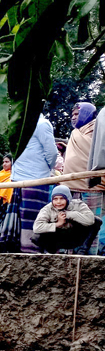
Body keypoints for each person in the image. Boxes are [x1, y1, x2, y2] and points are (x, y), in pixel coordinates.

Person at [0, 114, 60, 253]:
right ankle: (20, 252)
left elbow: (52, 153)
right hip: (19, 181)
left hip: (36, 179)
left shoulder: (42, 124)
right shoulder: (19, 125)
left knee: (35, 219)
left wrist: (45, 169)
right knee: (20, 219)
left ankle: (32, 253)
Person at [60, 102, 105, 254]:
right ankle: (70, 259)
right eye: (72, 115)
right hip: (70, 187)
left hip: (92, 187)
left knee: (91, 222)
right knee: (70, 223)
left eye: (76, 114)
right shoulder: (76, 133)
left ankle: (89, 259)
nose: (73, 118)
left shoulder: (99, 129)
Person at [32, 185, 103, 254]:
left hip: (74, 236)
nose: (58, 202)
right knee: (37, 236)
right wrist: (58, 224)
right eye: (55, 199)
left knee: (96, 221)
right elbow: (37, 227)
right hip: (58, 237)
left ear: (68, 198)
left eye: (62, 198)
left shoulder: (78, 204)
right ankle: (51, 253)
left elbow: (90, 220)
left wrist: (69, 214)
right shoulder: (47, 209)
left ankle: (81, 251)